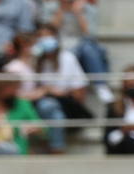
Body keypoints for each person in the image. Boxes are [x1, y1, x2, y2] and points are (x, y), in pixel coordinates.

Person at [15, 21, 89, 154]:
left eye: (49, 36)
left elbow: (79, 93)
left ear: (56, 38)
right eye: (41, 37)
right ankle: (57, 148)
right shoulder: (34, 60)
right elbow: (22, 90)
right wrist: (44, 91)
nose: (45, 40)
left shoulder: (68, 58)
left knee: (53, 109)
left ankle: (54, 146)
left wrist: (59, 93)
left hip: (65, 105)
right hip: (34, 104)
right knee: (48, 106)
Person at [52, 0, 111, 101]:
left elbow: (89, 33)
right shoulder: (53, 7)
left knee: (88, 49)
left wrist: (78, 13)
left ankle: (100, 85)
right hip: (61, 46)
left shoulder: (88, 8)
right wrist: (61, 10)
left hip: (81, 44)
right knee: (68, 56)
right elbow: (51, 30)